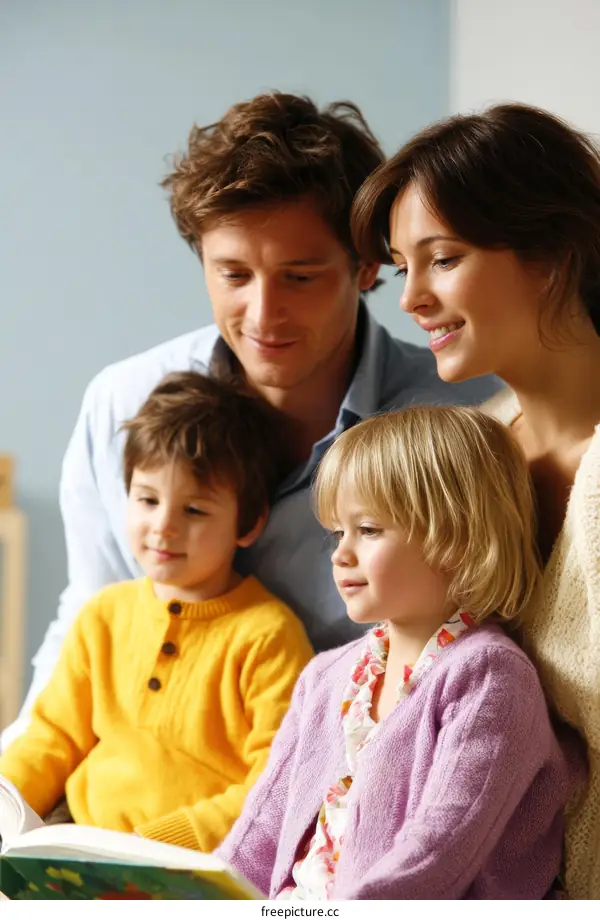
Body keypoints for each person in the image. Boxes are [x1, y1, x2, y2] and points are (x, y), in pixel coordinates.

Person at [2, 92, 498, 750]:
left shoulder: (470, 417)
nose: (263, 316)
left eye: (298, 277)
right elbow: (93, 621)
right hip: (140, 802)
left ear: (368, 266)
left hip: (360, 797)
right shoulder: (122, 404)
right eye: (233, 274)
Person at [349, 102, 600, 900]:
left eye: (443, 258)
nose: (411, 298)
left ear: (552, 254)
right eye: (401, 268)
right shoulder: (470, 460)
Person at [217, 406, 581, 899]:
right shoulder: (325, 676)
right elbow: (261, 829)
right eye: (337, 532)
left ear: (457, 538)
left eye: (367, 530)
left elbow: (440, 852)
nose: (341, 553)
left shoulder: (489, 677)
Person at [0, 372, 313, 851]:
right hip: (73, 836)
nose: (163, 527)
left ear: (248, 523)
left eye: (194, 510)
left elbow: (275, 783)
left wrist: (163, 844)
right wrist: (9, 803)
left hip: (194, 859)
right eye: (147, 500)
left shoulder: (268, 637)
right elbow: (53, 735)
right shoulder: (104, 615)